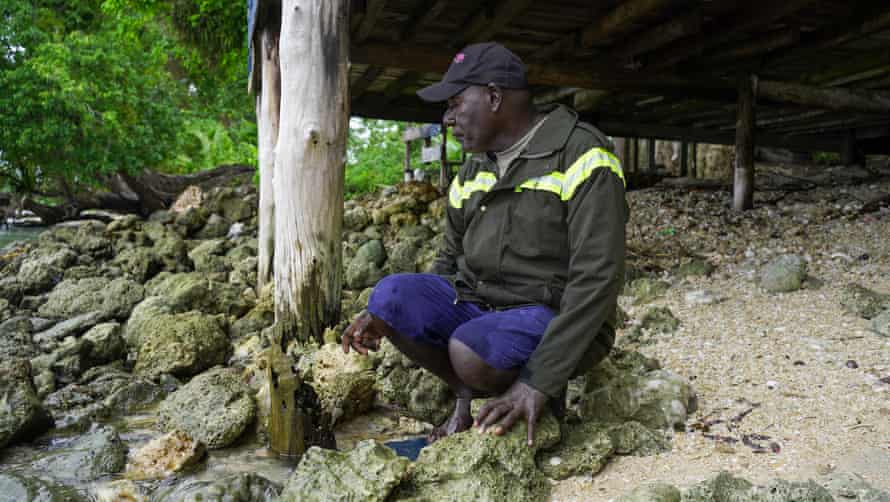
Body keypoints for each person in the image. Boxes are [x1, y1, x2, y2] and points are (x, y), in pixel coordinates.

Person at [342, 42, 627, 446]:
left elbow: (597, 279)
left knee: (471, 350)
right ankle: (463, 396)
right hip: (482, 309)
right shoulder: (475, 167)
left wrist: (537, 383)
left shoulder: (583, 154)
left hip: (552, 314)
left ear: (494, 97)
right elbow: (448, 260)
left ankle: (531, 389)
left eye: (456, 102)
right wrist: (388, 317)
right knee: (388, 297)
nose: (448, 117)